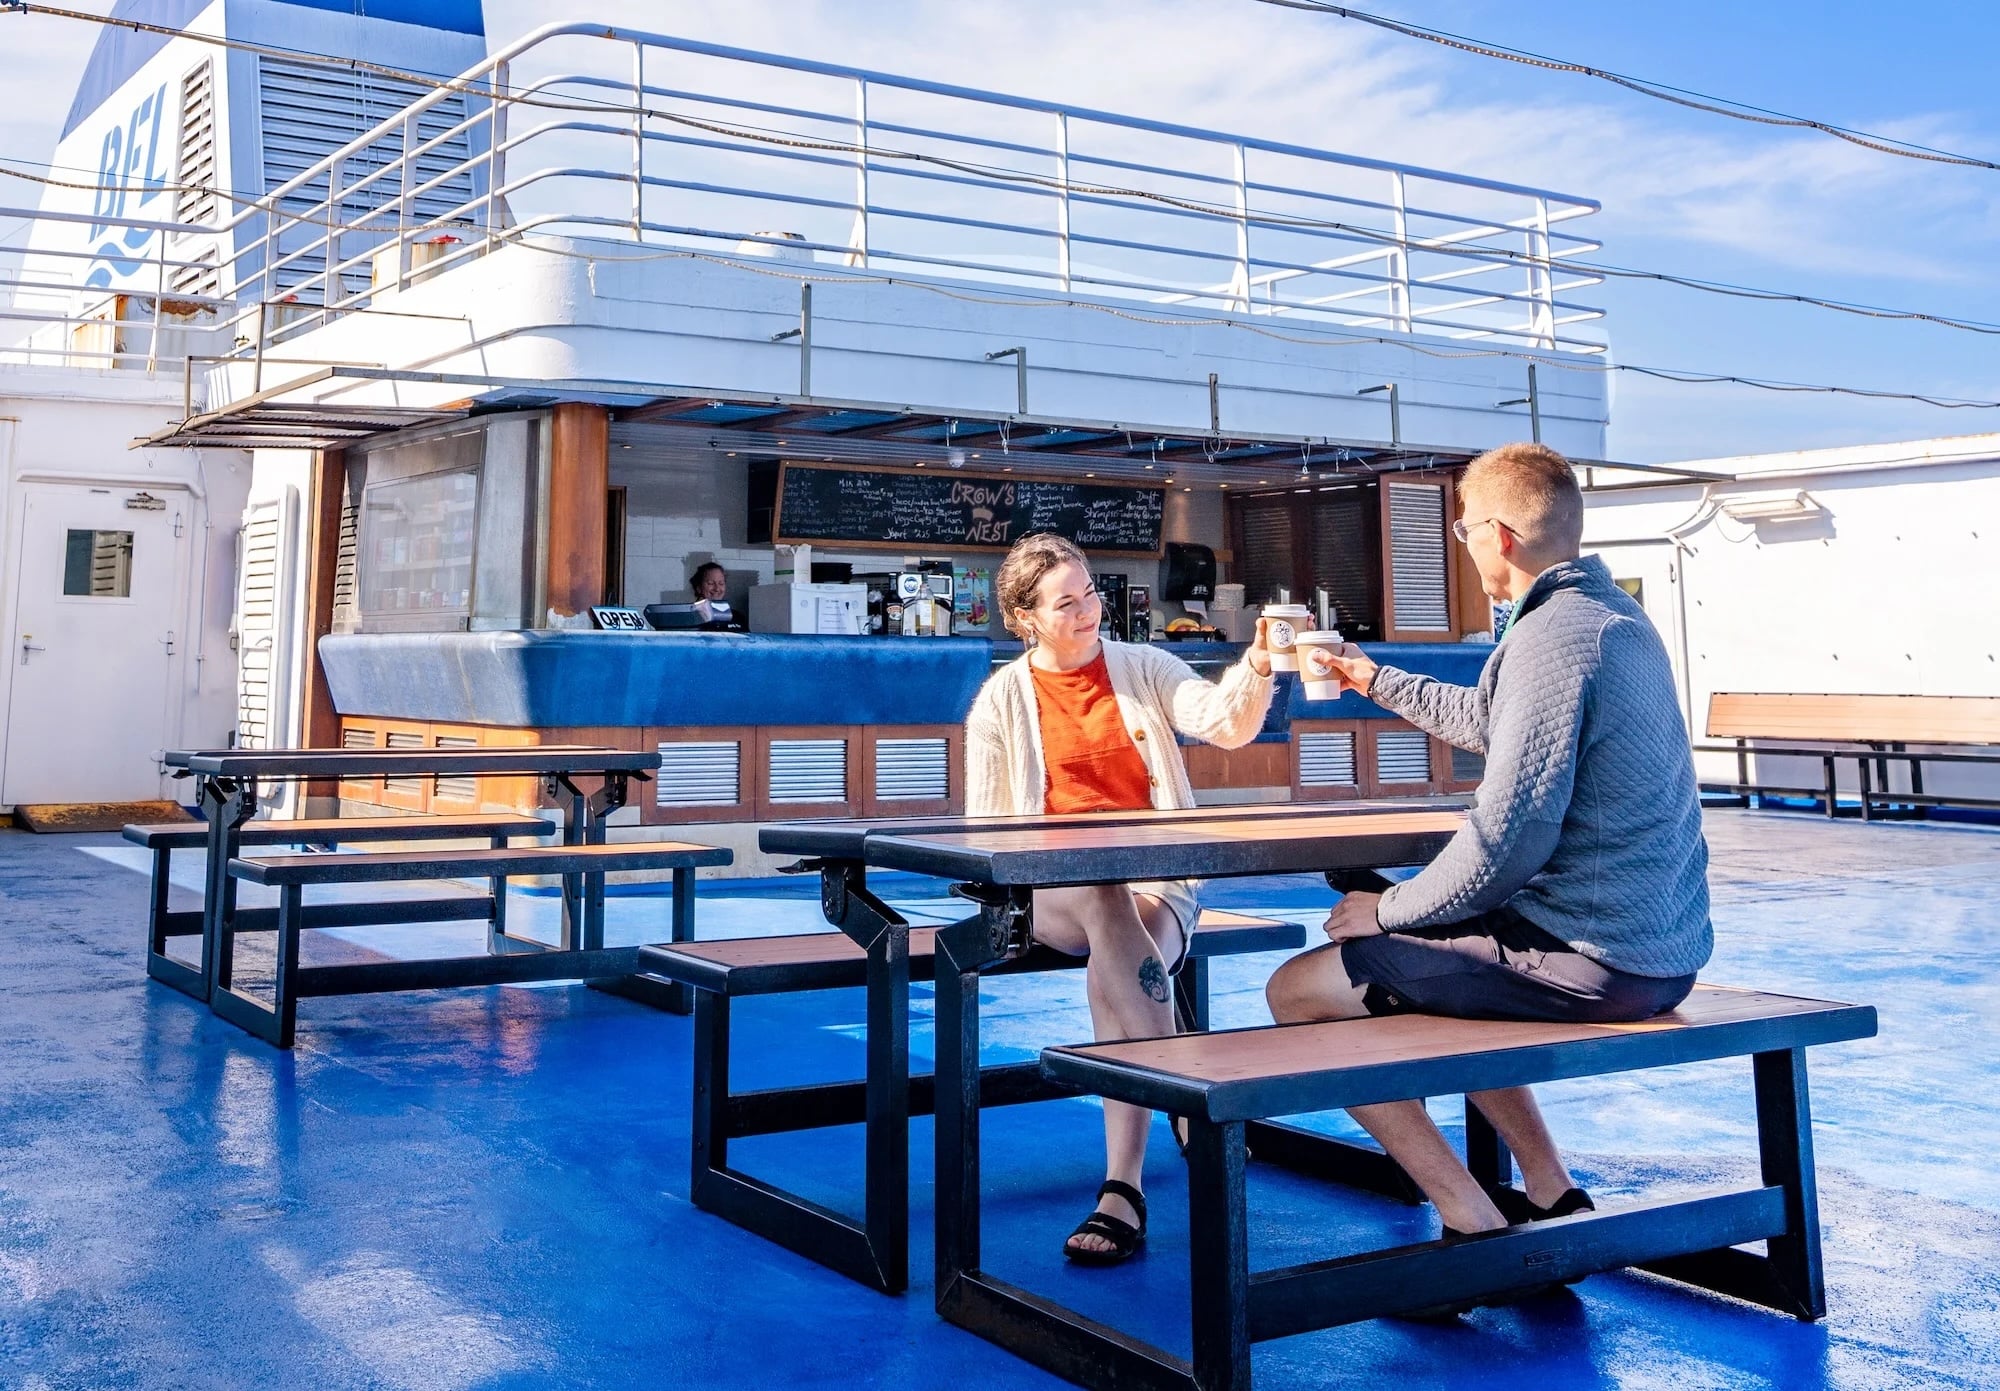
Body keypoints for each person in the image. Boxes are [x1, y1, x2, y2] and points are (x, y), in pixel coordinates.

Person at [1266, 441, 1712, 1245]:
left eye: (1465, 527)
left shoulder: (1552, 637)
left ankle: (1465, 1212)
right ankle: (1548, 1190)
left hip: (1593, 961)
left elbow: (1509, 837)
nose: (1462, 542)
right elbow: (1489, 721)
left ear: (1498, 535)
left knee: (1298, 990)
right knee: (1442, 958)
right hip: (1662, 949)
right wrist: (1371, 677)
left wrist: (1390, 909)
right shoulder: (1611, 617)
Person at [966, 532, 1276, 1265]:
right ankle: (1181, 1091)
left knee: (1116, 941)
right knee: (1102, 892)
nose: (1087, 611)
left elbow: (1224, 722)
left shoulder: (1140, 665)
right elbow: (984, 836)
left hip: (1157, 882)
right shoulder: (998, 703)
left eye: (1091, 594)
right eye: (1066, 602)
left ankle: (1123, 1189)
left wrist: (1259, 662)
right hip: (1047, 890)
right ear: (1025, 617)